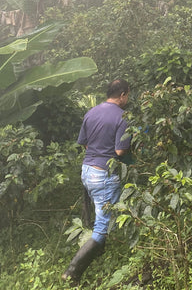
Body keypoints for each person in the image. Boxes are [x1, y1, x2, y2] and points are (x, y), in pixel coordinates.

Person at [62, 78, 132, 283]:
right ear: (122, 95)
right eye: (128, 95)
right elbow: (120, 150)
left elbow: (84, 143)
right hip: (104, 174)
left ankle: (99, 249)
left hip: (87, 170)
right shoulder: (123, 116)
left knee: (100, 213)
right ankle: (72, 272)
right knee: (102, 226)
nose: (128, 99)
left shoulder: (91, 113)